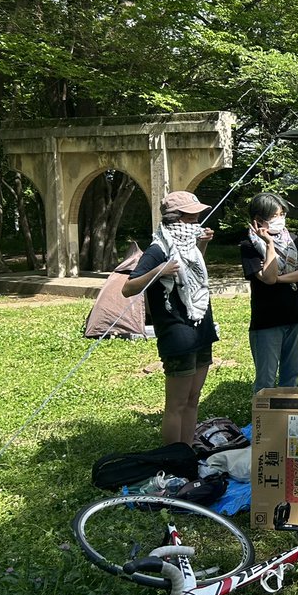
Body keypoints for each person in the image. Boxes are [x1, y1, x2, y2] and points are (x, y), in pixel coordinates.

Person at [122, 190, 218, 445]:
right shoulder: (157, 249)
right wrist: (158, 270)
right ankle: (173, 457)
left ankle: (186, 451)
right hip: (177, 333)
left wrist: (203, 244)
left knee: (193, 398)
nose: (197, 222)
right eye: (192, 217)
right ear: (178, 218)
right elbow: (128, 288)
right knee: (176, 403)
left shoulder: (189, 244)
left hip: (200, 325)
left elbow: (190, 273)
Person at [240, 192, 298, 394]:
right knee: (266, 380)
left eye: (281, 214)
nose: (280, 219)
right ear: (258, 220)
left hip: (296, 316)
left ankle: (286, 420)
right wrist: (269, 244)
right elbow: (269, 277)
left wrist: (280, 279)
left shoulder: (292, 240)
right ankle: (265, 424)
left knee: (291, 375)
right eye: (274, 216)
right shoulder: (249, 246)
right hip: (267, 322)